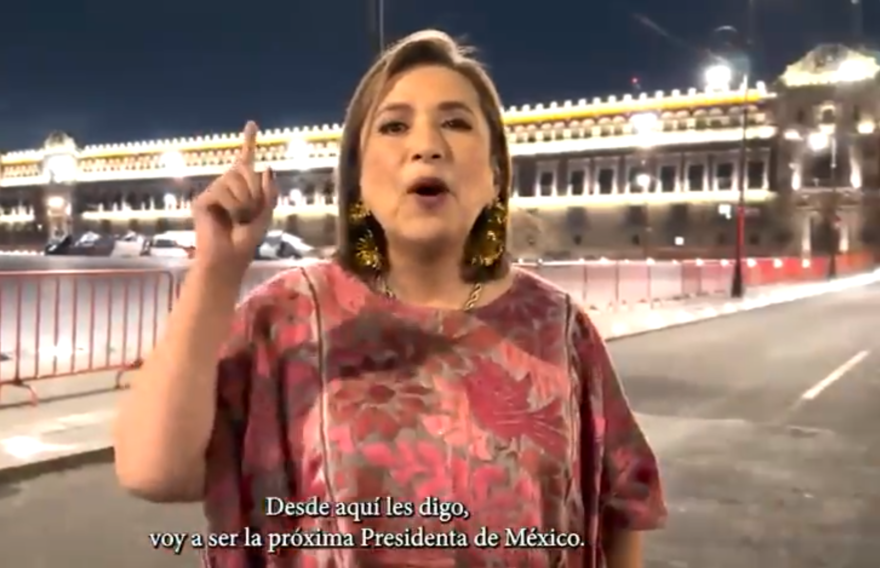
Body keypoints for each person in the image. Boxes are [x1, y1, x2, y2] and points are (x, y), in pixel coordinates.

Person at [114, 29, 667, 567]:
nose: (427, 147)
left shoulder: (559, 329)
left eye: (456, 122)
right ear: (357, 179)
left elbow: (619, 508)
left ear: (496, 174)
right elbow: (152, 470)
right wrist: (216, 269)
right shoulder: (287, 316)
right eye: (394, 126)